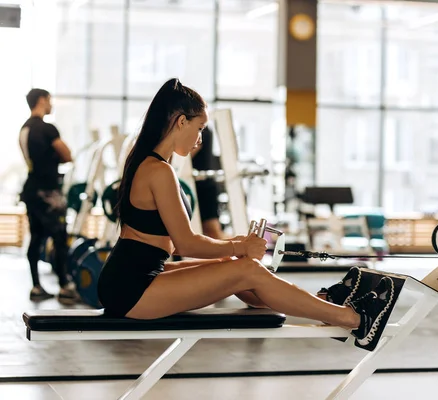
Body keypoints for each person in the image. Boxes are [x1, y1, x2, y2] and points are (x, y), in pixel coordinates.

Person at [96, 78, 397, 351]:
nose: (200, 140)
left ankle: (322, 304)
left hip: (134, 277)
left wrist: (236, 249)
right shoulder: (158, 170)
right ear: (180, 121)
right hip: (132, 289)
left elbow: (175, 246)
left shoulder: (150, 163)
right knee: (246, 270)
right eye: (199, 129)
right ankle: (356, 320)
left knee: (236, 268)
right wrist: (241, 246)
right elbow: (185, 245)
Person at [19, 88, 78, 304]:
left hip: (31, 190)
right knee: (60, 238)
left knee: (36, 238)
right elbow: (68, 154)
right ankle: (64, 286)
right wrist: (57, 157)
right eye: (50, 100)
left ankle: (36, 286)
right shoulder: (47, 128)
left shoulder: (24, 129)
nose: (51, 104)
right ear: (42, 100)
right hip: (49, 192)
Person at [190, 125, 226, 239]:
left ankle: (241, 247)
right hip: (198, 184)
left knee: (213, 232)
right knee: (210, 232)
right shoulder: (199, 126)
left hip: (203, 186)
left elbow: (188, 153)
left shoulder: (200, 128)